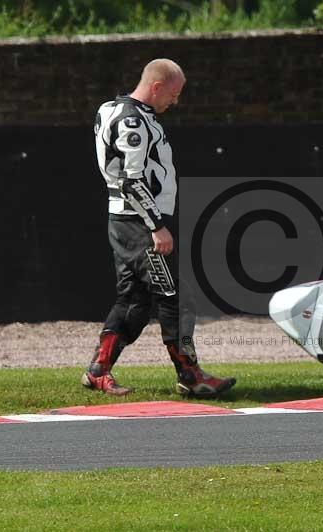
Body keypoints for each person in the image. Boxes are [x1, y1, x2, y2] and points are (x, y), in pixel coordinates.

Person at [83, 58, 236, 397]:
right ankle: (190, 374)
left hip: (124, 221)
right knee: (175, 298)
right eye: (174, 93)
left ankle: (98, 370)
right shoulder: (134, 121)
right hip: (139, 224)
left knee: (134, 300)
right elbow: (131, 179)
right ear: (156, 87)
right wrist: (156, 226)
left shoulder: (112, 108)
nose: (175, 101)